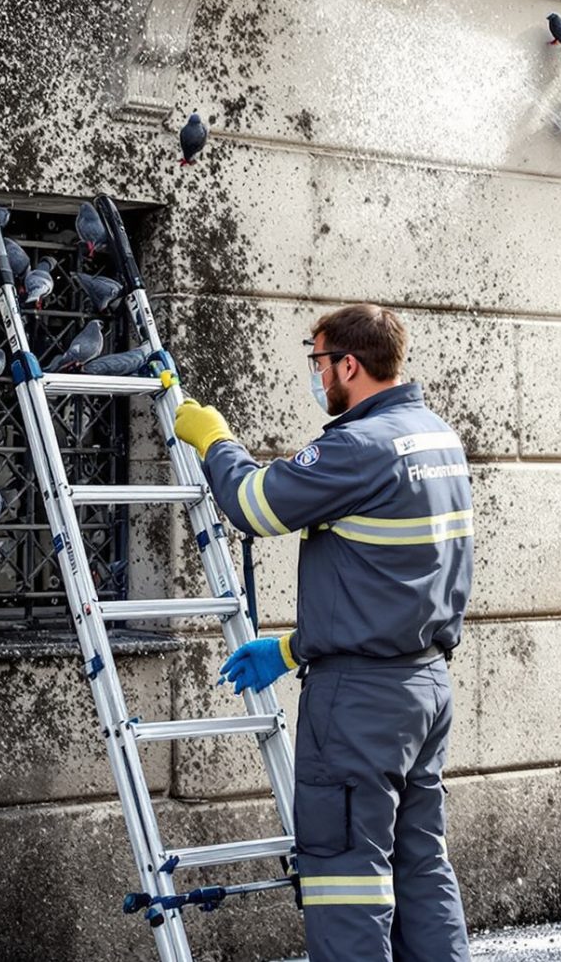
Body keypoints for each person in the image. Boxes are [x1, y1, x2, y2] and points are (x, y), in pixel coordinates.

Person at [172, 304, 473, 962]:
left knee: (345, 877)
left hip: (359, 704)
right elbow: (392, 577)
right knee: (422, 868)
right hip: (424, 688)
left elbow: (252, 504)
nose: (315, 374)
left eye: (318, 360)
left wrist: (214, 438)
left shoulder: (356, 446)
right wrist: (289, 649)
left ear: (349, 364)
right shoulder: (433, 436)